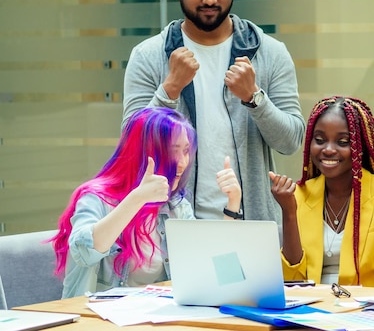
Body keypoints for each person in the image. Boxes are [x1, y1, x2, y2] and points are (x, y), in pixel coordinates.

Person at [122, 0, 305, 222]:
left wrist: (254, 98)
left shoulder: (269, 52)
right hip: (173, 228)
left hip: (251, 224)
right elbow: (131, 147)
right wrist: (169, 89)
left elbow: (291, 141)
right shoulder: (149, 55)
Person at [51, 107, 242, 298]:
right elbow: (84, 252)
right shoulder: (95, 198)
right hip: (96, 319)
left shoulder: (175, 205)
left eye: (186, 151)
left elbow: (207, 269)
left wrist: (232, 205)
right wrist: (137, 198)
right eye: (173, 151)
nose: (183, 163)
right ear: (143, 153)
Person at [269, 96, 374, 289]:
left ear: (359, 146)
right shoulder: (299, 194)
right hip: (310, 312)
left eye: (342, 142)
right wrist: (289, 212)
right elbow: (292, 282)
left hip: (364, 311)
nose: (328, 149)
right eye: (319, 140)